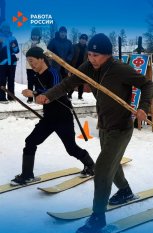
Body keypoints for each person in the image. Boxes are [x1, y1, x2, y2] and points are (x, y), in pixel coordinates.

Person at [36, 33, 153, 233]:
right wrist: (48, 95)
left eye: (96, 55)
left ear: (107, 55)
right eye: (89, 54)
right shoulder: (89, 68)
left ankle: (97, 219)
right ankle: (125, 191)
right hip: (105, 127)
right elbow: (67, 83)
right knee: (112, 163)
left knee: (102, 169)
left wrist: (143, 107)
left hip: (121, 128)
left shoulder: (120, 70)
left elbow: (146, 84)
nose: (91, 58)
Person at [10, 47, 94, 186]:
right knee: (30, 141)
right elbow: (41, 99)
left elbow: (54, 92)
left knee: (71, 148)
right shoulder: (37, 76)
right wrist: (37, 96)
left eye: (32, 61)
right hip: (49, 118)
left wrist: (35, 94)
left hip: (63, 117)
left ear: (41, 59)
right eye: (28, 62)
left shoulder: (53, 73)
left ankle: (91, 165)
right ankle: (27, 175)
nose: (31, 65)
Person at [22, 28, 47, 103]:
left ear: (39, 36)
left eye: (36, 35)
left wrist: (37, 49)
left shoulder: (42, 44)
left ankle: (37, 97)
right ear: (31, 35)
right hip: (29, 67)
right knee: (30, 82)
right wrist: (31, 48)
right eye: (33, 35)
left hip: (39, 68)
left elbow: (44, 52)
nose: (35, 37)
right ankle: (30, 98)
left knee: (38, 82)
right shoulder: (27, 43)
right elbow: (24, 52)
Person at [0, 22, 19, 103]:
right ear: (1, 29)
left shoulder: (13, 38)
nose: (6, 29)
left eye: (7, 28)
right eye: (4, 28)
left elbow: (17, 50)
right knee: (2, 80)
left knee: (11, 80)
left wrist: (14, 46)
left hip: (12, 63)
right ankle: (1, 97)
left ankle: (11, 97)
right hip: (2, 63)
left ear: (9, 29)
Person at [68, 34, 88, 100]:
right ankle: (69, 95)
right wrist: (69, 67)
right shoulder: (74, 46)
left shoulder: (87, 48)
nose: (83, 40)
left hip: (83, 68)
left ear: (86, 41)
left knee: (81, 82)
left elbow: (88, 58)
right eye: (82, 39)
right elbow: (71, 56)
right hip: (74, 66)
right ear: (79, 39)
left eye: (85, 39)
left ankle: (80, 96)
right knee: (72, 81)